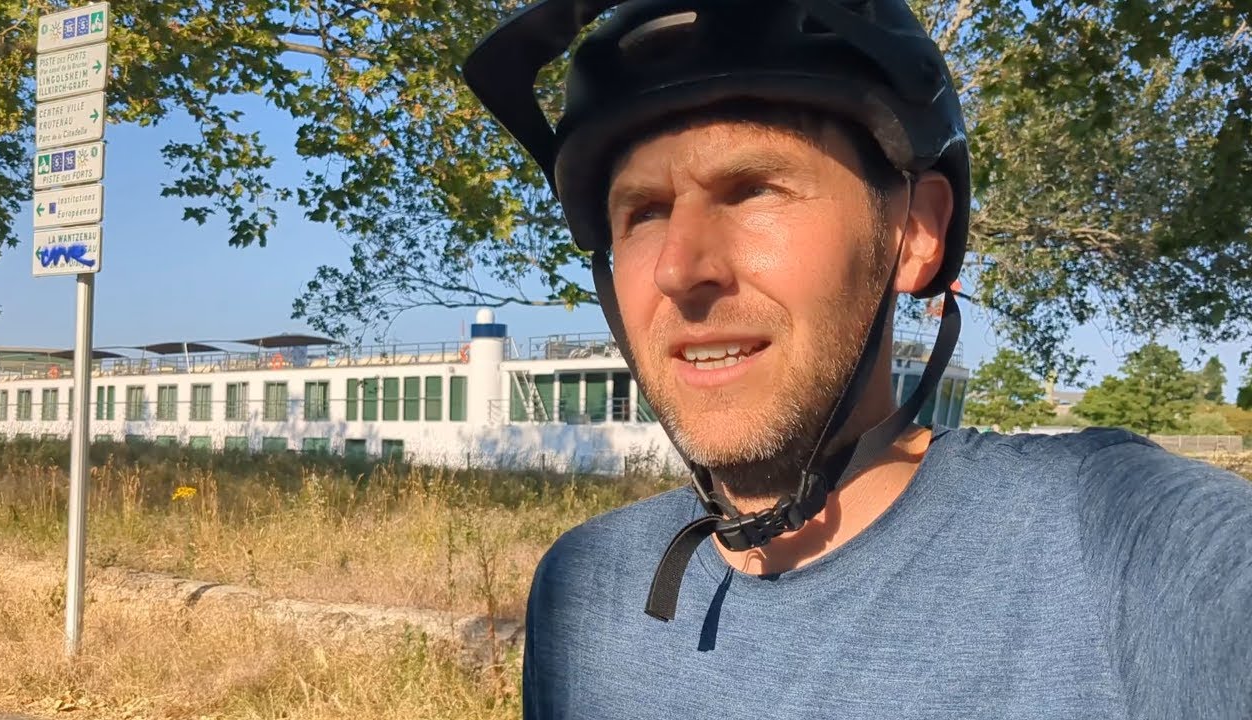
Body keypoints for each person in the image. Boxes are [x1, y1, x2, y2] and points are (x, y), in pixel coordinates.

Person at [461, 1, 1252, 717]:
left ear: (914, 235)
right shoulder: (585, 588)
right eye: (642, 212)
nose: (679, 268)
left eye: (753, 190)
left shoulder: (1111, 544)